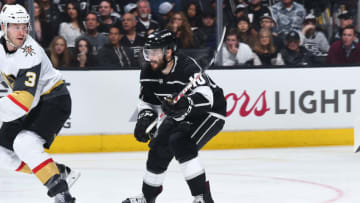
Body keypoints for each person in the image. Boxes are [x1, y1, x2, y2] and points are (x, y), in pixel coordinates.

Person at [122, 29, 226, 203]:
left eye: (155, 52)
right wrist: (145, 118)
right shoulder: (148, 72)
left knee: (180, 142)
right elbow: (148, 102)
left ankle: (202, 198)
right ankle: (148, 197)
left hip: (210, 112)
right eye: (148, 52)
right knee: (157, 147)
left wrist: (186, 103)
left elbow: (207, 98)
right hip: (179, 113)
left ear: (169, 52)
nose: (151, 58)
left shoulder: (187, 66)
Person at [0, 4, 79, 203]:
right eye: (15, 26)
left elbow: (22, 103)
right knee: (2, 154)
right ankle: (59, 172)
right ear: (3, 27)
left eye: (24, 26)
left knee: (24, 143)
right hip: (31, 103)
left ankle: (62, 195)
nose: (21, 31)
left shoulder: (29, 52)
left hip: (54, 99)